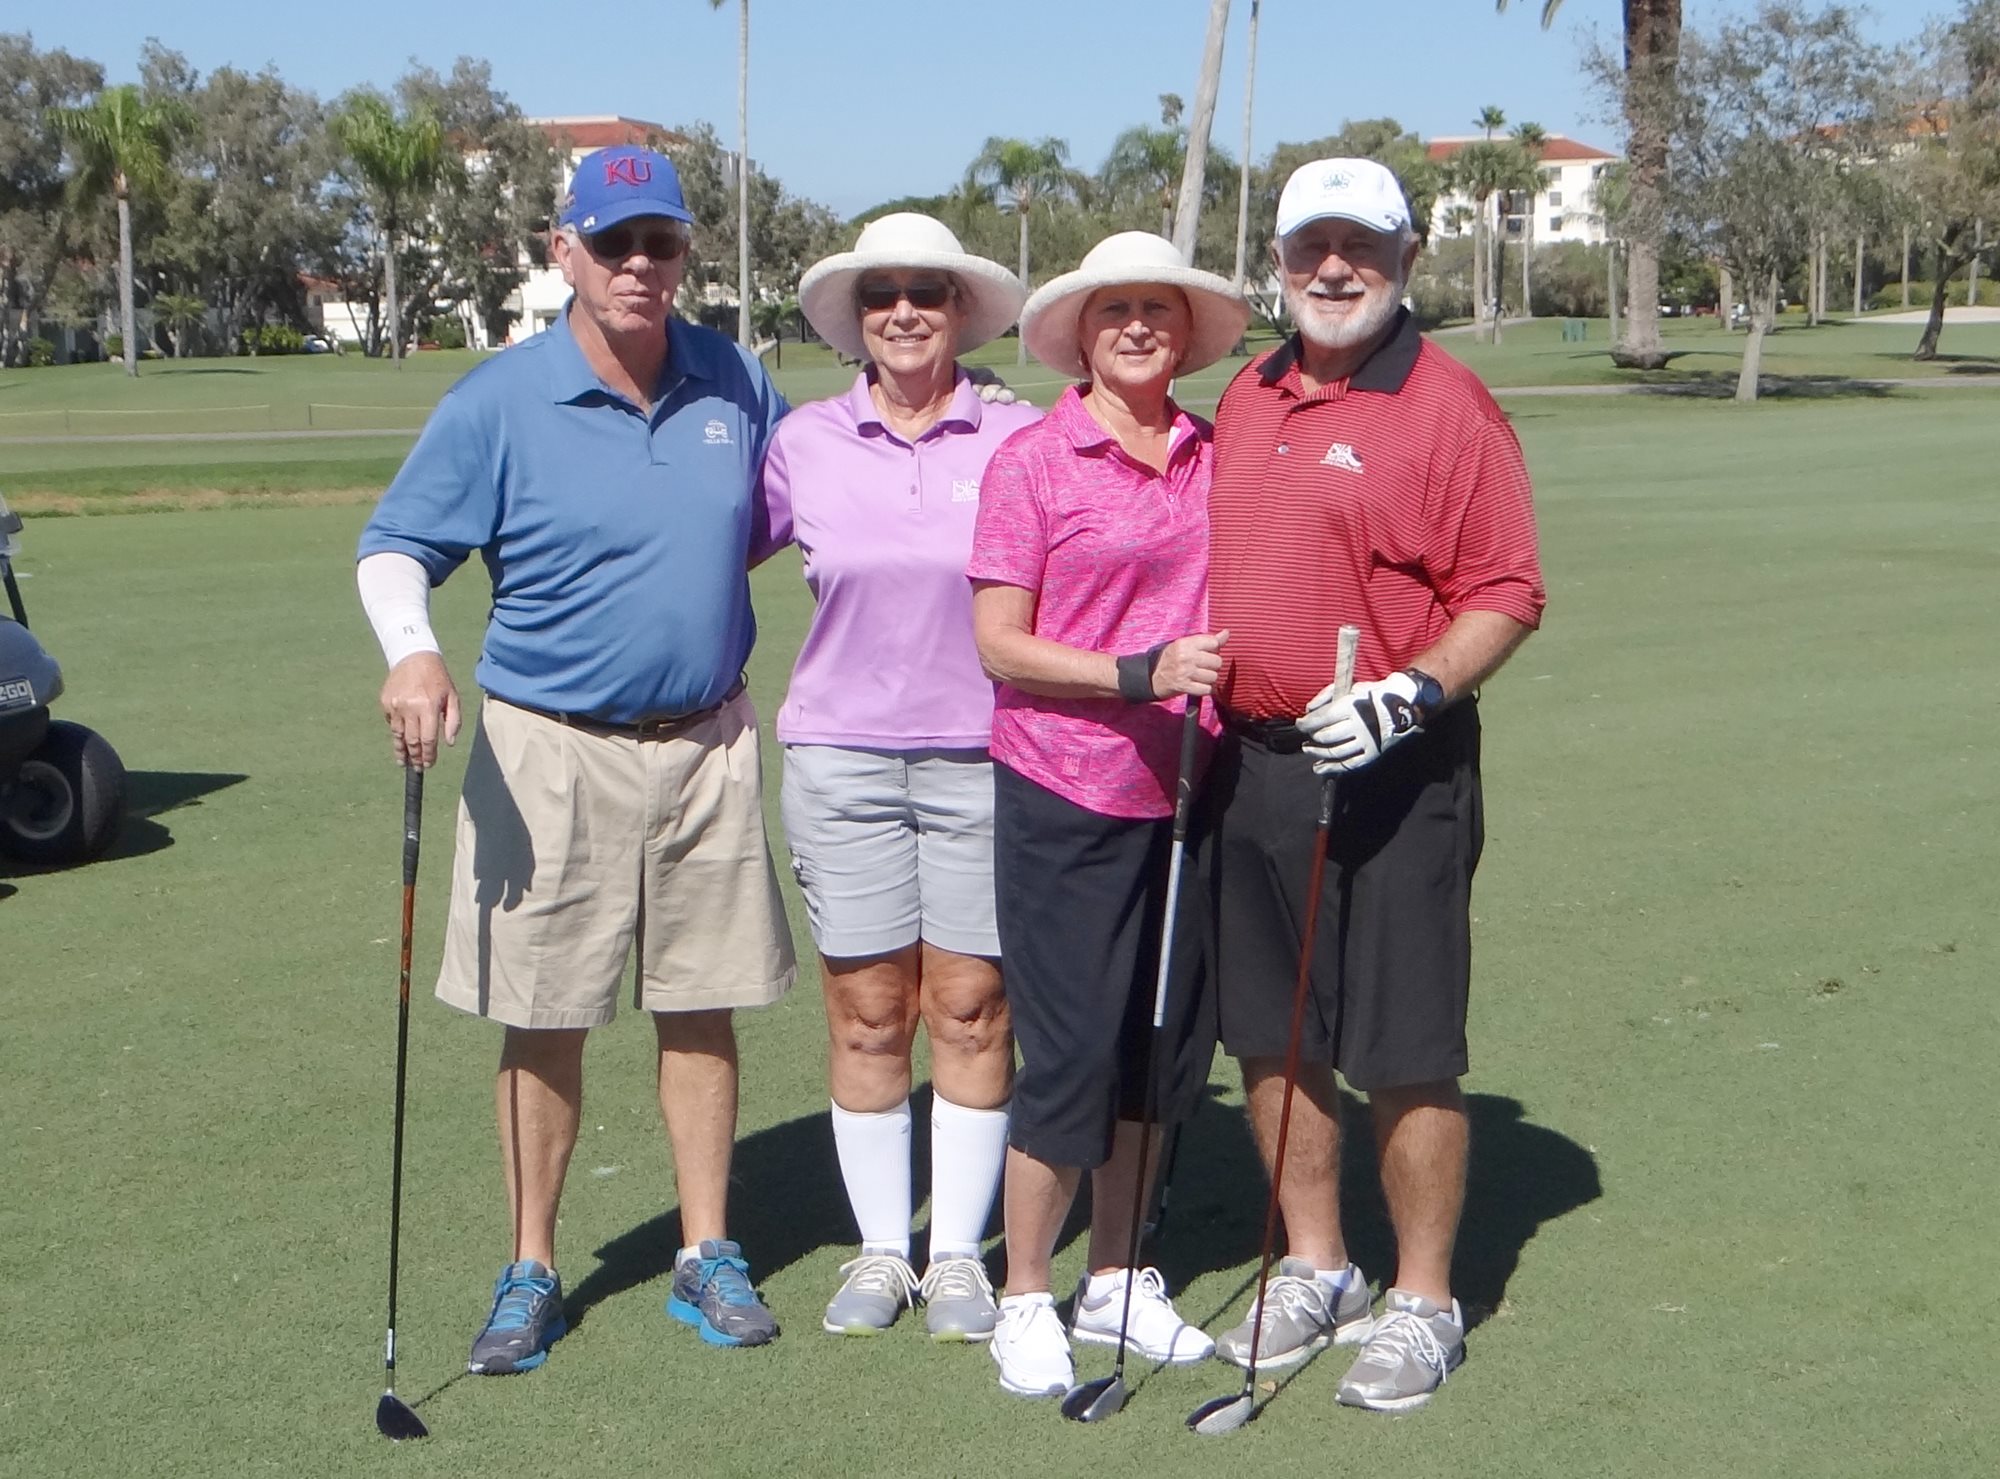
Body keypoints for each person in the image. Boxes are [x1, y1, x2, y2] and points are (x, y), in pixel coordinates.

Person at [354, 145, 797, 1375]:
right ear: (565, 254)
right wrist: (412, 655)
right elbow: (395, 548)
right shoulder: (499, 400)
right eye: (612, 243)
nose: (638, 264)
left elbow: (778, 513)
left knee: (699, 1005)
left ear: (684, 252)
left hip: (705, 744)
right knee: (543, 1018)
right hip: (548, 749)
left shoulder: (733, 377)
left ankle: (706, 1250)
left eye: (660, 241)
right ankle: (532, 1266)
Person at [1202, 158, 1546, 1411]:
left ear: (1405, 260)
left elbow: (1506, 589)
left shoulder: (1450, 405)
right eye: (1310, 247)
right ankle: (1316, 1264)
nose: (1333, 269)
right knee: (1273, 1034)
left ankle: (1422, 1300)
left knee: (1403, 1046)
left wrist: (1408, 695)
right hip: (1252, 763)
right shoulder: (1246, 393)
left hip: (1397, 771)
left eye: (1359, 246)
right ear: (1278, 262)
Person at [967, 231, 1250, 1398]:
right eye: (1112, 309)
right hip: (1065, 788)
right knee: (1074, 1050)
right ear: (1078, 335)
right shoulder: (1033, 461)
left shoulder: (1214, 453)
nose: (1136, 325)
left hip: (1188, 790)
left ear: (1184, 332)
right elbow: (998, 642)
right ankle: (1025, 1293)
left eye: (1156, 308)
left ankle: (1119, 1278)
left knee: (1159, 1046)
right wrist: (1136, 673)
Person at [753, 214, 1038, 1340]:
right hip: (841, 759)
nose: (904, 311)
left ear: (962, 309)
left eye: (927, 290)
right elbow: (707, 551)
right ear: (856, 317)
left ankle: (956, 1255)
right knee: (869, 1012)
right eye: (882, 294)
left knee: (970, 1006)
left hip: (986, 756)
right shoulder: (805, 441)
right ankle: (882, 1251)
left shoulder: (1018, 434)